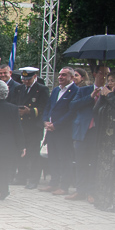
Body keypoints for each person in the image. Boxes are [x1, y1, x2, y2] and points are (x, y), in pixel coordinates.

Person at [65, 65, 107, 202]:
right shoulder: (84, 90)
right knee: (80, 162)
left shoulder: (109, 92)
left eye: (107, 74)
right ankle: (80, 191)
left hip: (98, 131)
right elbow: (73, 105)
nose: (104, 77)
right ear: (95, 74)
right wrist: (91, 97)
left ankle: (91, 191)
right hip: (82, 131)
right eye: (102, 73)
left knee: (94, 163)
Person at [40, 67, 79, 195]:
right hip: (51, 130)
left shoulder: (76, 91)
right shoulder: (56, 90)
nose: (60, 77)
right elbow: (48, 107)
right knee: (53, 157)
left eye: (64, 75)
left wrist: (56, 125)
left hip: (64, 131)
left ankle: (64, 186)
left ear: (71, 77)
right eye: (60, 74)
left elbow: (72, 112)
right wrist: (45, 120)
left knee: (65, 158)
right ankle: (53, 183)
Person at [12, 67, 49, 189]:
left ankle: (33, 179)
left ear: (34, 77)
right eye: (24, 79)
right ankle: (21, 176)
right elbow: (14, 103)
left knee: (33, 154)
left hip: (34, 127)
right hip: (21, 126)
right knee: (21, 152)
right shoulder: (19, 89)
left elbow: (44, 107)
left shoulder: (41, 89)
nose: (26, 82)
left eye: (28, 79)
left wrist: (30, 111)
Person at [92, 70, 115, 212]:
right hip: (105, 140)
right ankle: (102, 200)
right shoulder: (108, 96)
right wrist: (102, 98)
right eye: (108, 81)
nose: (109, 84)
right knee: (104, 170)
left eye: (113, 81)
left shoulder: (114, 97)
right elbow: (96, 111)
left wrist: (109, 96)